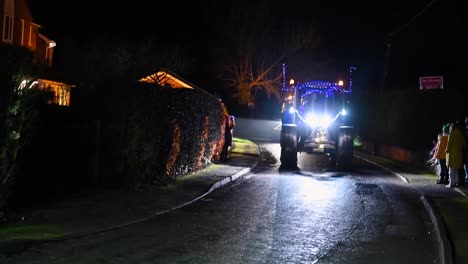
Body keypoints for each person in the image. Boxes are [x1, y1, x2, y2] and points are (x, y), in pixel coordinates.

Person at [445, 121, 465, 188]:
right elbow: (463, 144)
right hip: (459, 154)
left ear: (452, 127)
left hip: (452, 154)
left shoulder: (452, 133)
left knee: (451, 170)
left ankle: (451, 184)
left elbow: (449, 144)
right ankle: (456, 182)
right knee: (456, 170)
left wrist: (446, 151)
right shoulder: (460, 134)